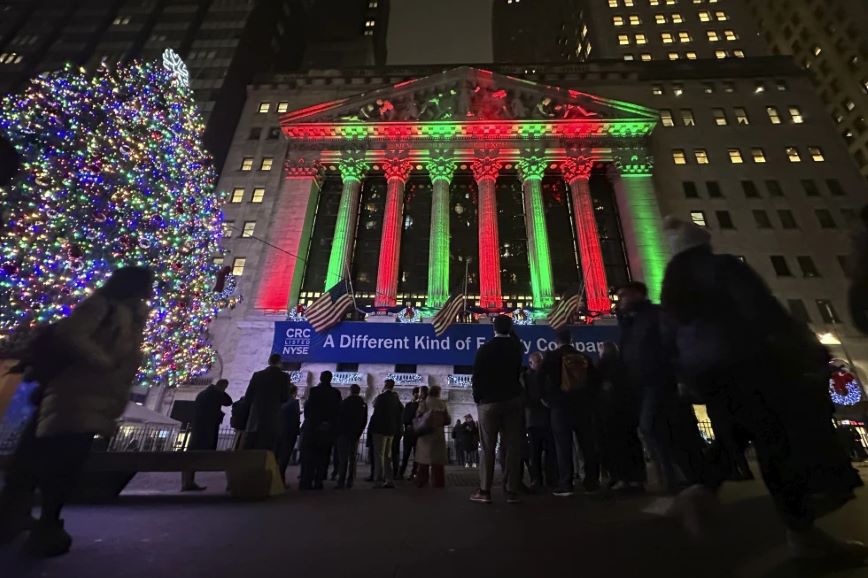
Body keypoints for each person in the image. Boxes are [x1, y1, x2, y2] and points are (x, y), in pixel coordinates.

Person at [660, 217, 865, 560]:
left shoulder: (671, 290)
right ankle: (801, 529)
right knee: (775, 442)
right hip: (748, 361)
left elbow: (669, 342)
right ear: (702, 244)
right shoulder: (722, 267)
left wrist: (687, 377)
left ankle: (701, 490)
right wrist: (802, 345)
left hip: (707, 374)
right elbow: (763, 309)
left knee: (736, 432)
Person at [0, 266, 152, 557]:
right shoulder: (103, 306)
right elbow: (71, 334)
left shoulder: (133, 315)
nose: (150, 289)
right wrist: (102, 361)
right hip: (73, 393)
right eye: (147, 283)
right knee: (56, 460)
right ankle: (39, 522)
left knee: (58, 460)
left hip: (93, 396)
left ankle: (30, 518)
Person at [617, 281, 704, 494]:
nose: (620, 301)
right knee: (655, 429)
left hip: (659, 381)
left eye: (623, 296)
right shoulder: (630, 322)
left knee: (653, 427)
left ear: (637, 294)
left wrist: (681, 378)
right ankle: (670, 479)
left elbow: (674, 344)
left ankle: (681, 477)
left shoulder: (656, 315)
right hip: (641, 384)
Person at [470, 315, 524, 504]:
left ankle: (485, 490)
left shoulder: (485, 349)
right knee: (512, 447)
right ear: (511, 328)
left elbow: (476, 377)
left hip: (489, 403)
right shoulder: (517, 348)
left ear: (493, 329)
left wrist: (478, 398)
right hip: (512, 400)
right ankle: (511, 491)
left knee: (487, 448)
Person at [541, 329, 600, 496]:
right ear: (572, 339)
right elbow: (595, 381)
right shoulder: (584, 357)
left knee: (563, 447)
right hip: (583, 407)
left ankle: (566, 483)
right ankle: (592, 483)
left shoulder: (551, 357)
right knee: (587, 446)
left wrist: (546, 399)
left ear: (557, 341)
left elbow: (540, 379)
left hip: (560, 407)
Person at [596, 343, 646, 492]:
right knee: (633, 444)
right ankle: (637, 479)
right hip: (629, 413)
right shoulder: (626, 365)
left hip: (611, 413)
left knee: (616, 447)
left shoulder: (602, 366)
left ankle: (621, 478)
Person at [182, 379, 232, 491]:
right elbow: (229, 402)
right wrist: (221, 391)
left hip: (198, 428)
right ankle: (188, 482)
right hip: (208, 429)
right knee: (199, 454)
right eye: (225, 388)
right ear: (223, 386)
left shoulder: (202, 393)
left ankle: (188, 481)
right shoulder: (216, 394)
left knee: (192, 454)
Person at [300, 371, 342, 490]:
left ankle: (306, 481)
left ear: (321, 378)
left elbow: (309, 409)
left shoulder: (314, 391)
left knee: (309, 456)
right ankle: (319, 481)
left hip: (313, 429)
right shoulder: (335, 393)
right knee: (323, 457)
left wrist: (314, 423)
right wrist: (329, 424)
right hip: (328, 430)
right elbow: (338, 411)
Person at [242, 354, 291, 452]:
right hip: (272, 419)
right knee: (266, 451)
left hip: (255, 418)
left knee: (249, 449)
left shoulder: (257, 375)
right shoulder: (284, 377)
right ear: (280, 363)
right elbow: (285, 398)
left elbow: (248, 396)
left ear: (269, 361)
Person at [524, 352, 557, 490]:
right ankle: (537, 479)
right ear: (531, 363)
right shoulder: (527, 377)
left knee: (549, 451)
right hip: (536, 419)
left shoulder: (541, 376)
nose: (540, 364)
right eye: (538, 362)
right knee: (535, 452)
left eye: (540, 361)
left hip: (544, 419)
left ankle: (549, 479)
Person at [368, 379, 403, 489]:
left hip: (380, 430)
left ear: (385, 385)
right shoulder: (395, 399)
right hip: (391, 430)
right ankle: (389, 480)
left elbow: (375, 409)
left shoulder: (381, 397)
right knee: (388, 456)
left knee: (379, 455)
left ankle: (378, 480)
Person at [414, 385, 451, 488]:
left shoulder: (425, 402)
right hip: (438, 435)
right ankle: (438, 483)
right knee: (438, 463)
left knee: (423, 461)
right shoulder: (442, 404)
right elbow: (448, 420)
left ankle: (422, 481)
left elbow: (418, 415)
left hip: (425, 435)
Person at [335, 384, 368, 489]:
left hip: (344, 433)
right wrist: (359, 432)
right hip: (355, 434)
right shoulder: (363, 404)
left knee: (343, 458)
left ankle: (341, 481)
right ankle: (351, 480)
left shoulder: (345, 402)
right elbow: (364, 420)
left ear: (350, 391)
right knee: (353, 458)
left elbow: (339, 418)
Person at [276, 385, 301, 486]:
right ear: (294, 392)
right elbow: (295, 418)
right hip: (289, 432)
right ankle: (280, 480)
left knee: (277, 456)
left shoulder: (279, 401)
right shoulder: (294, 402)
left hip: (278, 431)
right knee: (284, 457)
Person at [400, 387, 422, 479]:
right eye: (415, 393)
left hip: (416, 432)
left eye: (417, 393)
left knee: (416, 455)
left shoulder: (420, 405)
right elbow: (405, 417)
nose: (416, 395)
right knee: (406, 454)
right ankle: (401, 473)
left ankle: (413, 473)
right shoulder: (409, 405)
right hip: (409, 432)